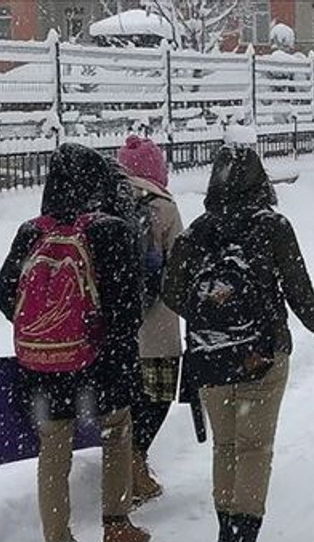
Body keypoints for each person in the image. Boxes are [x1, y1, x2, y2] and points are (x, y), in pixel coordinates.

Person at [163, 144, 314, 542]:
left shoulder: (198, 231)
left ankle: (224, 534)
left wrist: (209, 309)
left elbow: (171, 291)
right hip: (261, 353)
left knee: (226, 447)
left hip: (209, 355)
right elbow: (296, 282)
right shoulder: (272, 226)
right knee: (255, 449)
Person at [0, 143, 150, 542]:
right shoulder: (109, 231)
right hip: (99, 363)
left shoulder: (30, 232)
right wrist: (101, 340)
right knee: (117, 432)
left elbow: (5, 294)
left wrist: (47, 328)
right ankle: (117, 526)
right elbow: (127, 306)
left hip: (41, 366)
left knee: (53, 451)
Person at [117, 135, 185, 506]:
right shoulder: (163, 206)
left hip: (115, 324)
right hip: (157, 324)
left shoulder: (103, 202)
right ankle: (136, 462)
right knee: (156, 396)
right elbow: (181, 263)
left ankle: (122, 464)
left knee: (123, 399)